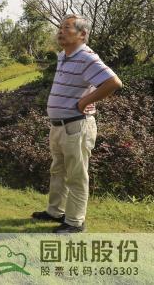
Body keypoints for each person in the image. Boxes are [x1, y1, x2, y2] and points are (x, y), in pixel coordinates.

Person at [32, 15, 122, 233]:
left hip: (76, 126)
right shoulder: (64, 56)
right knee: (58, 171)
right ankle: (55, 211)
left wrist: (85, 101)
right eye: (60, 27)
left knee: (76, 176)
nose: (60, 31)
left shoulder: (86, 57)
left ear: (82, 34)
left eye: (67, 28)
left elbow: (113, 82)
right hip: (59, 126)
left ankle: (75, 222)